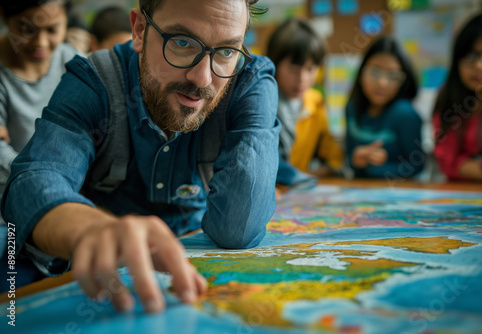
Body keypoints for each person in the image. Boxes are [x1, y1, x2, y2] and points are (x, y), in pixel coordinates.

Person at [1, 0, 280, 314]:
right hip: (106, 282)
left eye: (227, 51)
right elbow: (33, 181)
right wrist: (92, 230)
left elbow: (238, 227)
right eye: (183, 43)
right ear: (139, 30)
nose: (202, 78)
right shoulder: (96, 80)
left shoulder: (246, 80)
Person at [0, 0, 79, 195]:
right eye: (27, 29)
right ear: (4, 17)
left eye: (52, 30)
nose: (41, 43)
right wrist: (46, 175)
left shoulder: (72, 61)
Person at [267, 18, 343, 186]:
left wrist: (303, 176)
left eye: (310, 69)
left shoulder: (315, 102)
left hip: (295, 191)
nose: (302, 79)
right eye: (293, 69)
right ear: (274, 63)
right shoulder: (262, 101)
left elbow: (334, 158)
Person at [433, 9, 482, 182]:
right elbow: (445, 159)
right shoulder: (447, 95)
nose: (478, 65)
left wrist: (461, 164)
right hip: (460, 196)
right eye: (469, 56)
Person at [344, 35, 424, 179]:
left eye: (393, 76)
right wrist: (355, 160)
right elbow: (350, 158)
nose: (382, 83)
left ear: (403, 82)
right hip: (360, 192)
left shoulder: (406, 114)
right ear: (361, 74)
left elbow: (417, 165)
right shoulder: (352, 107)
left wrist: (375, 169)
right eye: (375, 72)